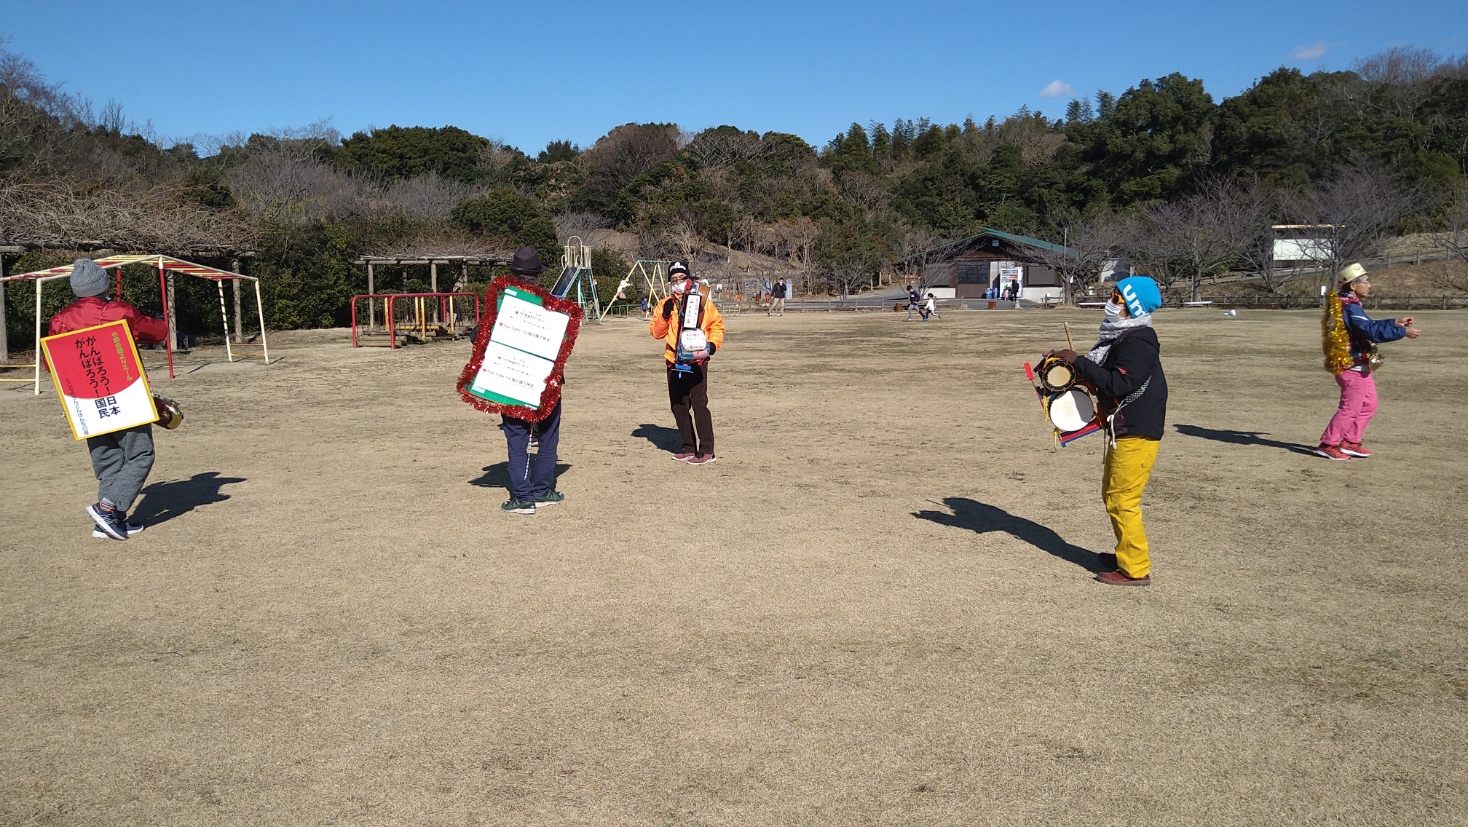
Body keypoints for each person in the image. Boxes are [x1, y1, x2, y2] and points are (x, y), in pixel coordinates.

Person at [1052, 276, 1168, 586]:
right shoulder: (1124, 337)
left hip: (1136, 430)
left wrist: (1080, 362)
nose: (1110, 302)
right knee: (1113, 493)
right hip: (1126, 427)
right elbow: (1107, 378)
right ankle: (1125, 552)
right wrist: (1077, 370)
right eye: (1112, 295)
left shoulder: (1138, 341)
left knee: (1122, 499)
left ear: (1133, 307)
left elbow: (1119, 383)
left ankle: (1135, 569)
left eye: (1117, 298)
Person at [49, 258, 169, 541]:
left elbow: (51, 361)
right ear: (102, 285)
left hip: (84, 399)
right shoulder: (119, 310)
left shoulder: (60, 320)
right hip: (124, 392)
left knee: (107, 458)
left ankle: (109, 521)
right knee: (140, 453)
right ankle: (108, 508)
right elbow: (157, 332)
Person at [1315, 263, 1421, 460]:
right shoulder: (1349, 306)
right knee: (1350, 408)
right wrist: (1401, 332)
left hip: (1358, 364)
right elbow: (1370, 331)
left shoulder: (1348, 304)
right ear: (1353, 285)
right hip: (1351, 366)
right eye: (1366, 281)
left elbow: (1367, 325)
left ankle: (1350, 441)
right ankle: (1328, 444)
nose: (1369, 285)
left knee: (1369, 404)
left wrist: (1394, 323)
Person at [499, 247, 566, 515]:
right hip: (548, 381)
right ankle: (542, 490)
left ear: (514, 275)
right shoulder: (552, 304)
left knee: (517, 436)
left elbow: (478, 335)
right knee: (548, 436)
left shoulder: (503, 302)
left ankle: (523, 497)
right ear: (539, 276)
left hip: (513, 379)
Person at [651, 261, 725, 464]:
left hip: (697, 359)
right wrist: (665, 315)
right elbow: (656, 333)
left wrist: (711, 346)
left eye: (681, 278)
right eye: (674, 280)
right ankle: (688, 446)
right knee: (678, 405)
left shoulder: (701, 300)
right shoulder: (665, 304)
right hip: (674, 360)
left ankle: (707, 450)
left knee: (699, 404)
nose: (678, 283)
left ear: (689, 279)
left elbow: (717, 327)